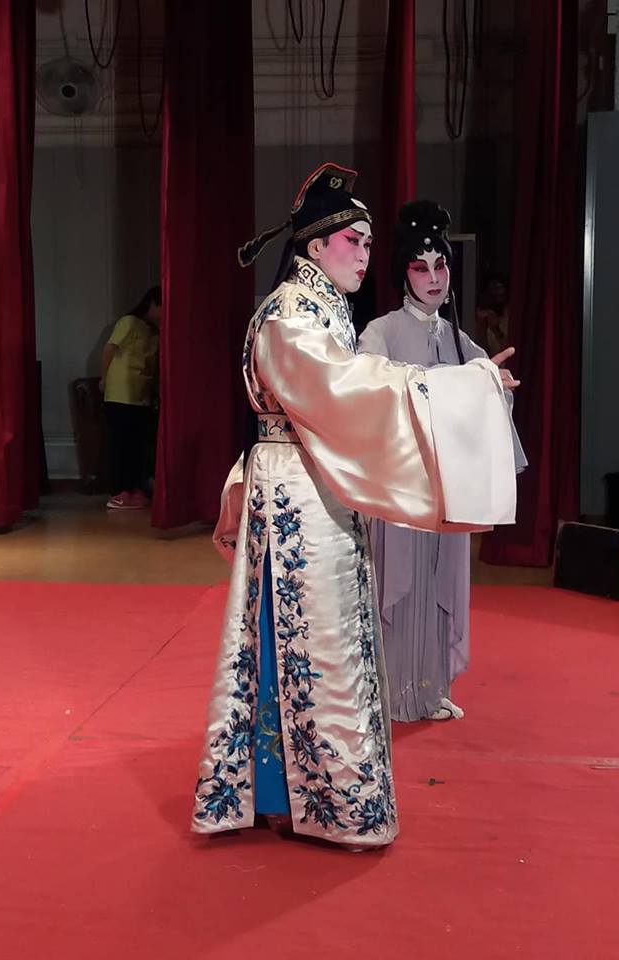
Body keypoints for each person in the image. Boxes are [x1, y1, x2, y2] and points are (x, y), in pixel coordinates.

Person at [192, 164, 519, 850]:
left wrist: (469, 383)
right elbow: (347, 389)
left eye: (369, 243)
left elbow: (348, 392)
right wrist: (459, 387)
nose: (365, 254)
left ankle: (296, 794)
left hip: (316, 488)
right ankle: (310, 798)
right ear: (315, 247)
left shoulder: (321, 310)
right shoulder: (290, 314)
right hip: (298, 495)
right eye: (353, 241)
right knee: (311, 644)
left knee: (317, 643)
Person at [358, 201, 527, 723]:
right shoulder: (381, 332)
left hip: (446, 489)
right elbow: (368, 390)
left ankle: (429, 690)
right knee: (399, 583)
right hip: (401, 487)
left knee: (438, 584)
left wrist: (493, 388)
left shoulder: (459, 339)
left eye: (441, 265)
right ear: (402, 274)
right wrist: (462, 383)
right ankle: (390, 694)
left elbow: (480, 399)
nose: (433, 278)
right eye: (420, 267)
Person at [100, 286, 161, 510]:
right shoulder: (129, 322)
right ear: (152, 304)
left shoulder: (154, 333)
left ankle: (134, 489)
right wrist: (104, 378)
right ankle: (119, 491)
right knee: (120, 444)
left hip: (141, 395)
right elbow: (109, 349)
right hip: (120, 394)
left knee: (136, 446)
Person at [476, 273, 510, 357]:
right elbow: (481, 353)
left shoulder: (511, 317)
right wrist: (482, 328)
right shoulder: (487, 316)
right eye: (492, 289)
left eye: (499, 287)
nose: (496, 292)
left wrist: (496, 330)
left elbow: (511, 352)